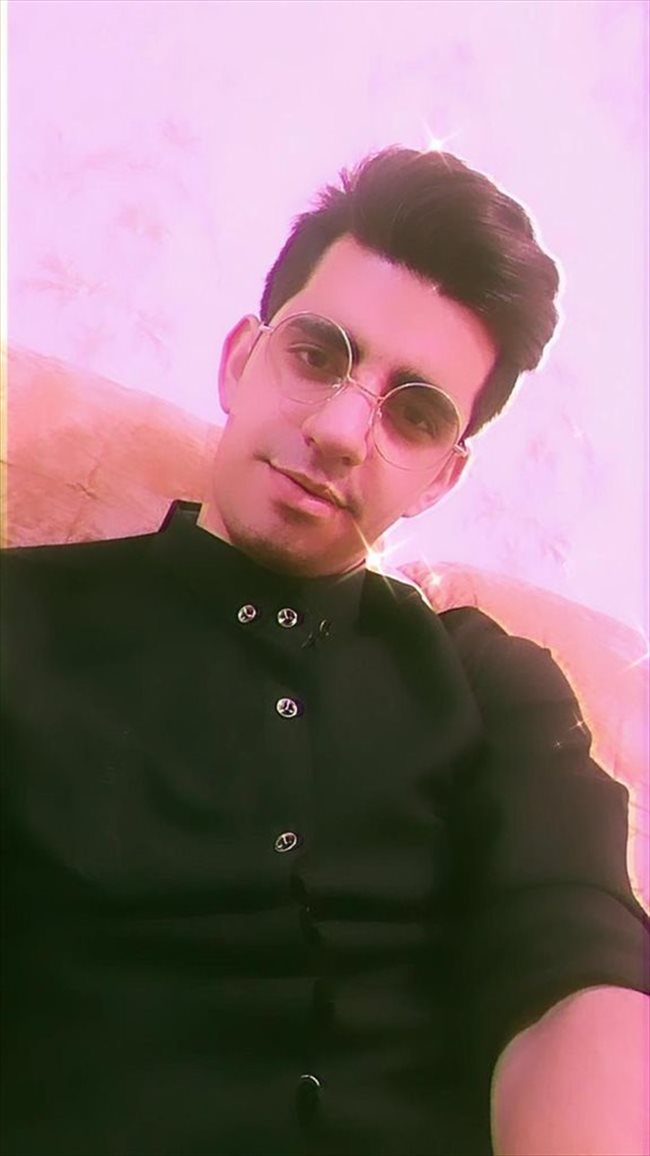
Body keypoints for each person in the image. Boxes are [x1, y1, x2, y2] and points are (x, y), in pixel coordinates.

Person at [1, 147, 648, 1156]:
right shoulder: (19, 620)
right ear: (238, 360)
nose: (344, 429)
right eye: (316, 356)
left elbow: (578, 973)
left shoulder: (495, 684)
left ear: (441, 478)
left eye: (414, 414)